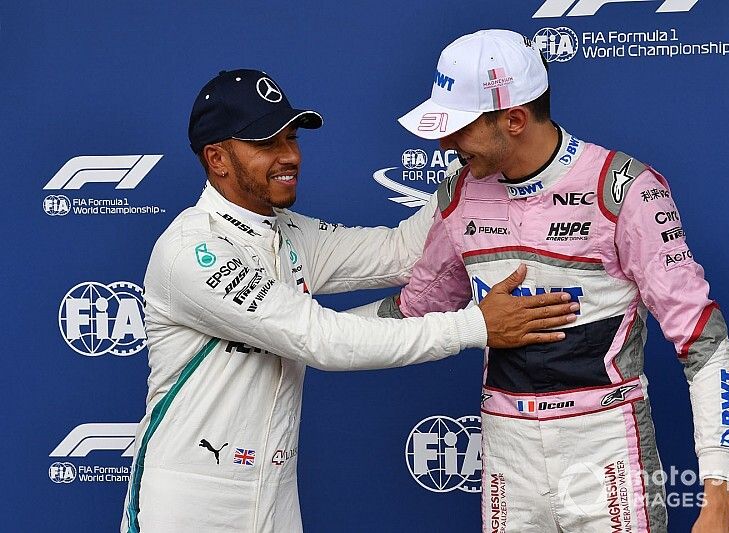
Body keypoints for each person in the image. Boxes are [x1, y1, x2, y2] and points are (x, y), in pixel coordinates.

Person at [120, 68, 578, 533]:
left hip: (274, 496)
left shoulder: (288, 231)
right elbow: (322, 340)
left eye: (292, 139)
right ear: (217, 158)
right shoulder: (192, 250)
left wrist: (472, 163)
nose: (289, 156)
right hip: (189, 499)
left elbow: (404, 253)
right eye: (266, 145)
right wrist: (474, 327)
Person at [373, 30, 729, 532]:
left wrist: (719, 495)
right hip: (507, 451)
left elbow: (702, 337)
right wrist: (292, 331)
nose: (444, 143)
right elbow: (414, 311)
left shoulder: (622, 188)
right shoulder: (457, 197)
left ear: (515, 119)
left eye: (458, 127)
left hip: (605, 447)